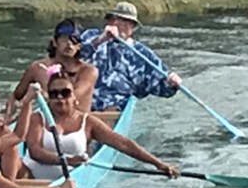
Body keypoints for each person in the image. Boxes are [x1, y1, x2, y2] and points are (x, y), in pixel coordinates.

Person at [20, 69, 180, 181]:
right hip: (31, 178)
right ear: (48, 97)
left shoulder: (87, 122)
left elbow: (123, 144)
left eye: (65, 93)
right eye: (54, 94)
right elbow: (35, 152)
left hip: (67, 182)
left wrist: (158, 164)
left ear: (74, 95)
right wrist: (68, 160)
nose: (60, 98)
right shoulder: (37, 118)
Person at [78, 1, 182, 112]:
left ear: (133, 27)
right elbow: (75, 55)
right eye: (118, 20)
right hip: (80, 103)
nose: (123, 25)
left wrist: (171, 83)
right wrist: (101, 39)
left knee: (111, 111)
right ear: (109, 21)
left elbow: (161, 86)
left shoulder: (141, 53)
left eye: (129, 22)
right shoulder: (91, 36)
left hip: (114, 108)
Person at [4, 18, 98, 118]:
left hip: (79, 126)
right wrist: (7, 117)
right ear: (54, 42)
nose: (69, 44)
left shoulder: (88, 71)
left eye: (74, 40)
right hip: (47, 125)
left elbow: (71, 97)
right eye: (64, 39)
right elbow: (16, 96)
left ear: (79, 46)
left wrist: (45, 95)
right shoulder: (37, 68)